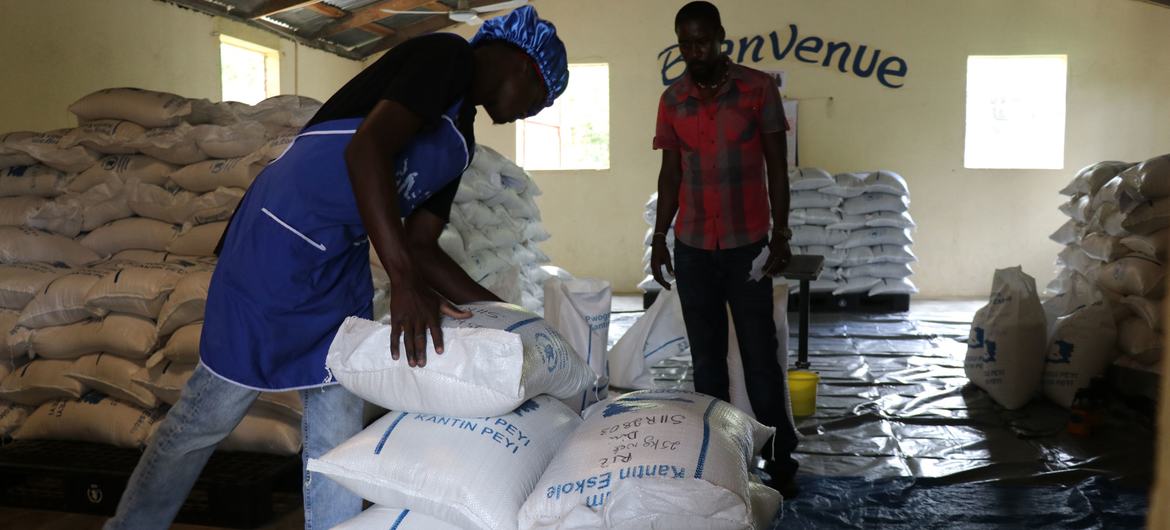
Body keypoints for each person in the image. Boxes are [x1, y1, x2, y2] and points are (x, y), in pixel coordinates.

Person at [104, 6, 568, 529]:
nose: (533, 113)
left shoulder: (460, 144)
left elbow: (420, 245)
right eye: (542, 100)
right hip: (278, 241)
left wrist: (505, 315)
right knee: (207, 415)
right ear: (528, 67)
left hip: (339, 263)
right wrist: (403, 283)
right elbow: (364, 149)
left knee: (337, 425)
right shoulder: (446, 56)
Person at [650, 1, 800, 497]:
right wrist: (659, 236)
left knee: (760, 356)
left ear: (721, 38)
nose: (694, 52)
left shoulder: (758, 90)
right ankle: (717, 461)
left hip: (746, 246)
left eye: (702, 41)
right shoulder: (673, 100)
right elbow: (671, 172)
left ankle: (781, 461)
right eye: (685, 43)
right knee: (707, 362)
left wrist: (781, 234)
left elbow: (777, 165)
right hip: (693, 245)